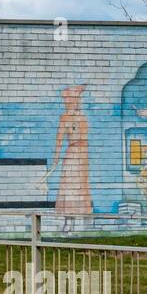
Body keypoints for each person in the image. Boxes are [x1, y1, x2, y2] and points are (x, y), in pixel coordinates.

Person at [45, 84, 92, 229]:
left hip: (83, 154)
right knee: (69, 187)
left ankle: (79, 222)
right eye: (77, 98)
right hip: (73, 154)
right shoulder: (65, 117)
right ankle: (68, 222)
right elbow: (59, 139)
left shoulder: (82, 116)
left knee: (81, 187)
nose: (79, 101)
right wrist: (56, 157)